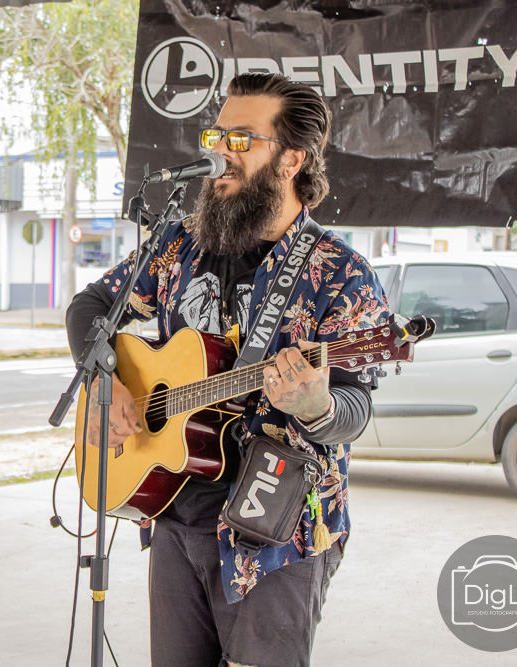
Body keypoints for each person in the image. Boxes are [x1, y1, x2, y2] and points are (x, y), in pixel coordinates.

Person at [66, 73, 390, 667]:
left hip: (278, 529)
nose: (219, 150)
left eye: (241, 139)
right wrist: (107, 382)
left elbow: (354, 409)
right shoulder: (179, 245)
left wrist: (315, 405)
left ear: (291, 159)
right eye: (218, 134)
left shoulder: (340, 272)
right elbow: (89, 307)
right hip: (172, 508)